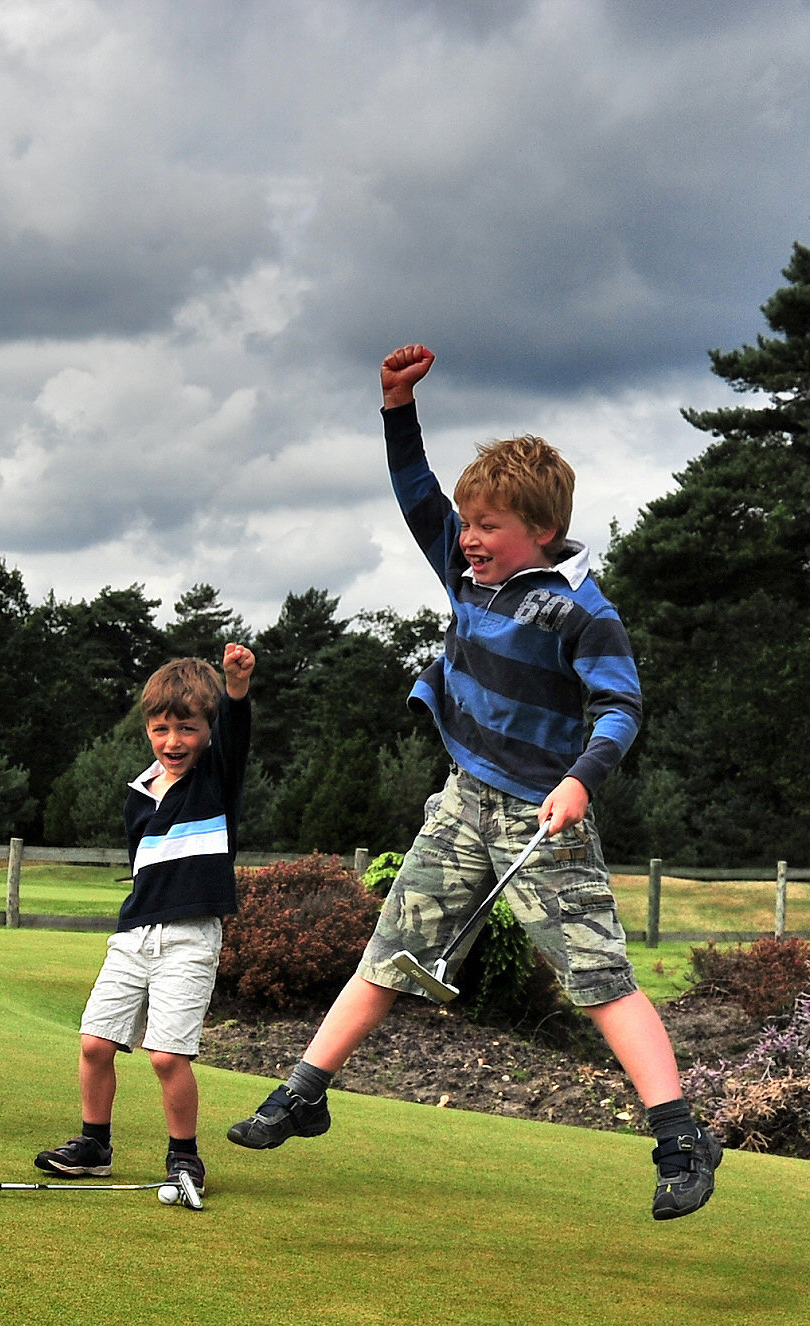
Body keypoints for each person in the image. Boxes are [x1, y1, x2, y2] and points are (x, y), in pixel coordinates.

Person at [226, 342, 721, 1220]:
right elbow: (414, 490)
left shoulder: (581, 609)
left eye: (487, 525)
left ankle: (681, 1135)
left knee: (598, 976)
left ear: (539, 530)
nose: (467, 537)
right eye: (466, 522)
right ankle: (305, 1092)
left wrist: (581, 782)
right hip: (463, 802)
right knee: (392, 947)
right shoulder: (463, 567)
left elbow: (619, 710)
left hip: (545, 818)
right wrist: (394, 405)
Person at [35, 645, 256, 1195]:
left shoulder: (215, 781)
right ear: (148, 730)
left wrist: (234, 689)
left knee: (166, 1056)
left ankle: (184, 1158)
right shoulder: (137, 794)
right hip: (134, 934)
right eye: (161, 729)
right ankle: (94, 1145)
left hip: (190, 936)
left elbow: (236, 735)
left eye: (187, 728)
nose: (173, 741)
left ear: (207, 731)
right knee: (94, 1044)